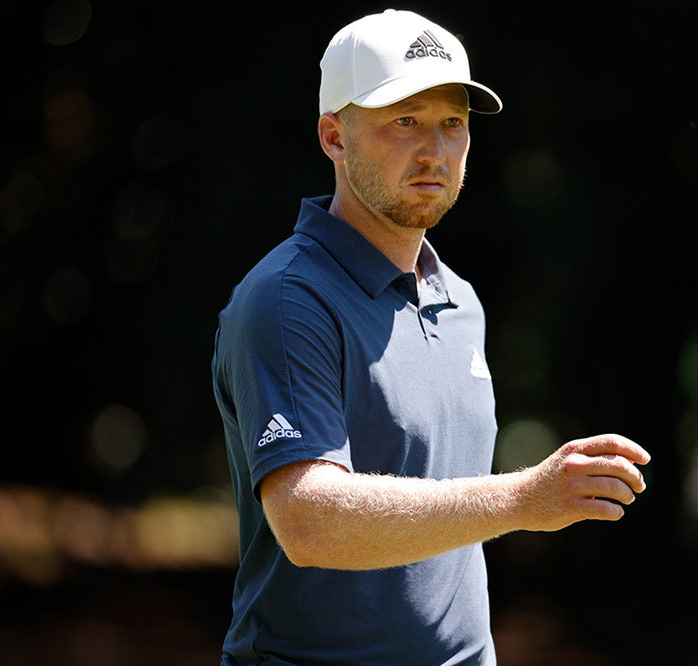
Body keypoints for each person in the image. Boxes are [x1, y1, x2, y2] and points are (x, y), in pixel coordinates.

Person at [211, 9, 650, 665]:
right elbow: (308, 521)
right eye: (404, 121)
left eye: (452, 123)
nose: (434, 152)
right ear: (334, 137)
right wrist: (522, 498)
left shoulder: (459, 301)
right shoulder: (286, 299)